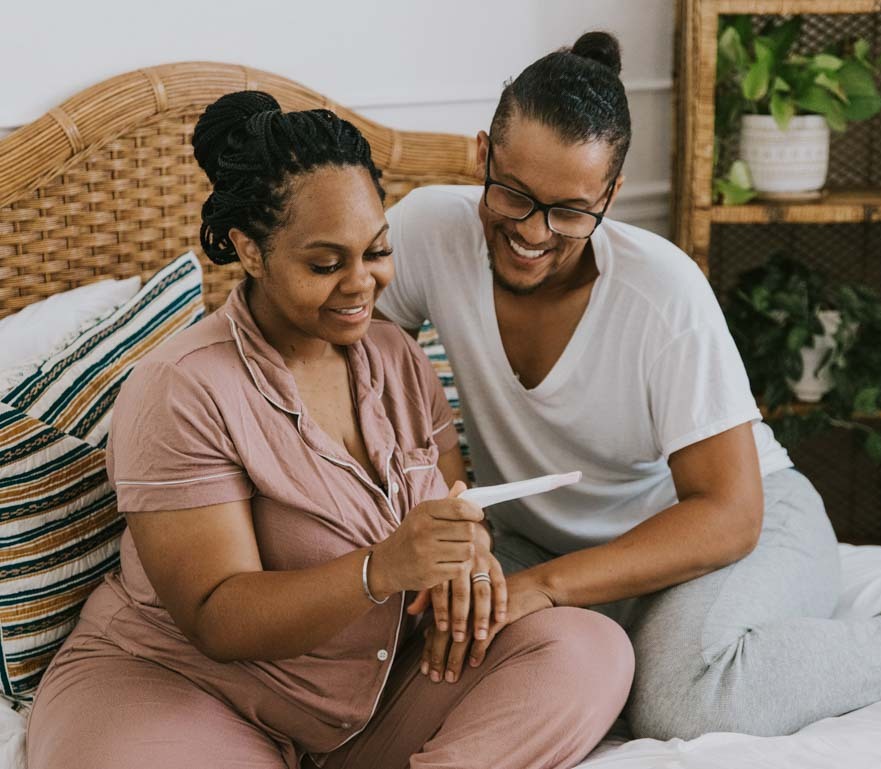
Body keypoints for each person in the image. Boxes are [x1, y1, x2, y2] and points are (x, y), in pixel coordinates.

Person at [375, 31, 881, 741]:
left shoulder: (662, 293)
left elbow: (730, 513)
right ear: (482, 156)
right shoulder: (426, 233)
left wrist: (547, 587)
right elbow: (360, 365)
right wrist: (457, 520)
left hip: (733, 528)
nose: (534, 232)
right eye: (513, 195)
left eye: (570, 211)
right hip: (537, 541)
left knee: (682, 701)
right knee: (402, 630)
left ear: (611, 195)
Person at [25, 91, 634, 769]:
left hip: (370, 698)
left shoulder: (399, 359)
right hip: (185, 687)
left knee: (590, 650)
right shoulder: (181, 388)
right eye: (325, 264)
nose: (361, 284)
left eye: (376, 251)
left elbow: (455, 509)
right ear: (250, 251)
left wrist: (468, 561)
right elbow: (216, 617)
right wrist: (382, 567)